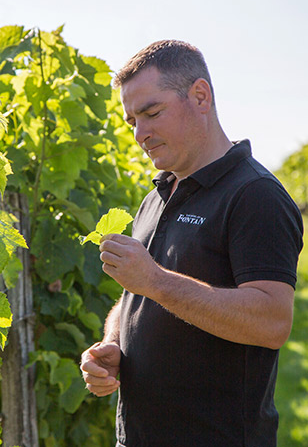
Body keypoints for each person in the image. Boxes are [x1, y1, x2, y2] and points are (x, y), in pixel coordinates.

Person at [78, 40, 303, 446]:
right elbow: (137, 297)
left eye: (152, 113)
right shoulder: (156, 196)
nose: (140, 134)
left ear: (200, 96)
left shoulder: (255, 195)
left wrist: (155, 281)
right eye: (132, 121)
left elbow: (272, 321)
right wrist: (113, 344)